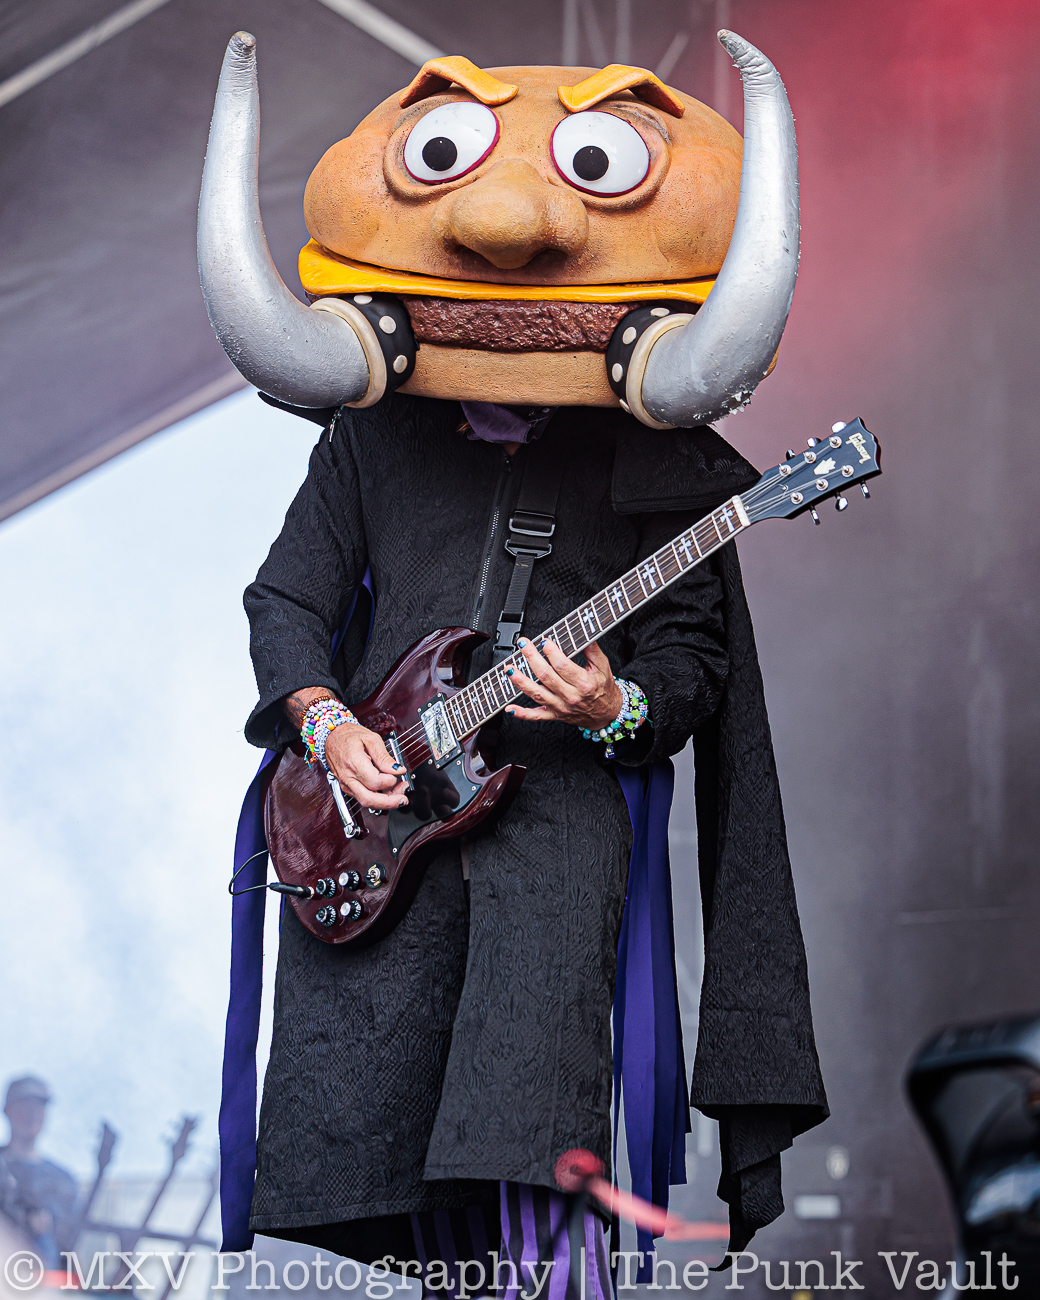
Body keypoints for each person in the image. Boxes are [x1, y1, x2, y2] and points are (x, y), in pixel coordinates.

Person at [202, 31, 828, 1293]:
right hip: (377, 828)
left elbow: (688, 669)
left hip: (552, 836)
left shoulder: (664, 466)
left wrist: (613, 702)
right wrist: (328, 724)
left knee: (528, 1137)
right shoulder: (370, 442)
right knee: (368, 1130)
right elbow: (286, 600)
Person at [1, 1077, 78, 1269]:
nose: (32, 1115)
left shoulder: (64, 1181)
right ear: (7, 1111)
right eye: (24, 1107)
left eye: (38, 1108)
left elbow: (71, 1250)